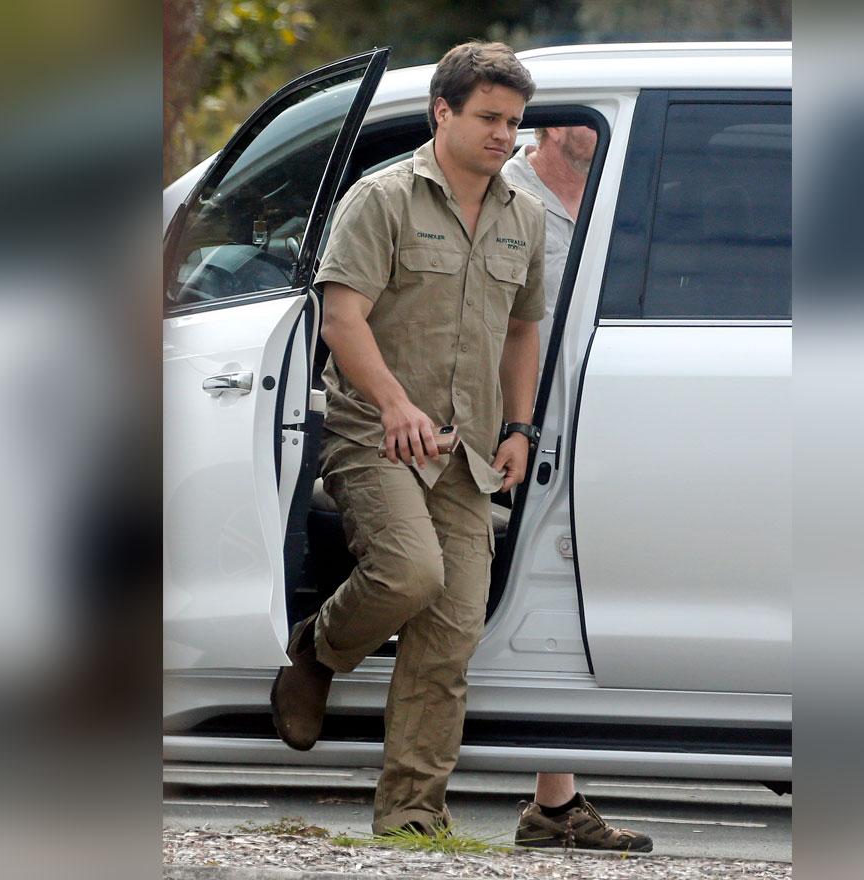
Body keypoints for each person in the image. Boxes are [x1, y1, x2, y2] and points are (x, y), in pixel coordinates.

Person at [269, 40, 545, 836]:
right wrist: (393, 404)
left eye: (514, 121)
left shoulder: (522, 216)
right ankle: (316, 651)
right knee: (408, 573)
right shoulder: (382, 198)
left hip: (466, 448)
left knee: (452, 633)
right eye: (489, 117)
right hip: (373, 429)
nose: (504, 135)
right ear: (443, 111)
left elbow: (523, 330)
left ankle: (411, 815)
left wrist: (520, 426)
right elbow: (342, 316)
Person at [500, 126, 653, 853]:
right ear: (552, 126)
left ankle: (553, 805)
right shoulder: (505, 191)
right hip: (515, 428)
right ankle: (414, 790)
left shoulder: (628, 187)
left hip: (602, 424)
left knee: (554, 595)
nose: (590, 134)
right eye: (581, 122)